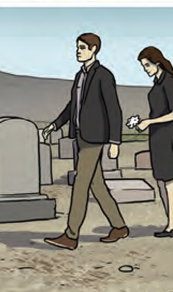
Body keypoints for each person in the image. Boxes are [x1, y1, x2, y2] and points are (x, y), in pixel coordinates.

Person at [42, 33, 128, 250]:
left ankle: (71, 235)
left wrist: (115, 141)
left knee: (81, 184)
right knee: (96, 184)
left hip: (95, 137)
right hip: (80, 135)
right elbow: (73, 105)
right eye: (77, 47)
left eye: (82, 47)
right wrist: (55, 124)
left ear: (94, 49)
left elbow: (114, 109)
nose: (77, 51)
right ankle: (119, 226)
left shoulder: (104, 75)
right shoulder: (79, 76)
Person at [134, 46, 173, 238]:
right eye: (143, 66)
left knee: (168, 181)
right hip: (155, 135)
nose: (145, 69)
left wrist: (150, 122)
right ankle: (170, 220)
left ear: (157, 62)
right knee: (161, 180)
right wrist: (142, 122)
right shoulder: (157, 83)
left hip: (165, 134)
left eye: (147, 65)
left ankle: (171, 225)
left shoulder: (168, 82)